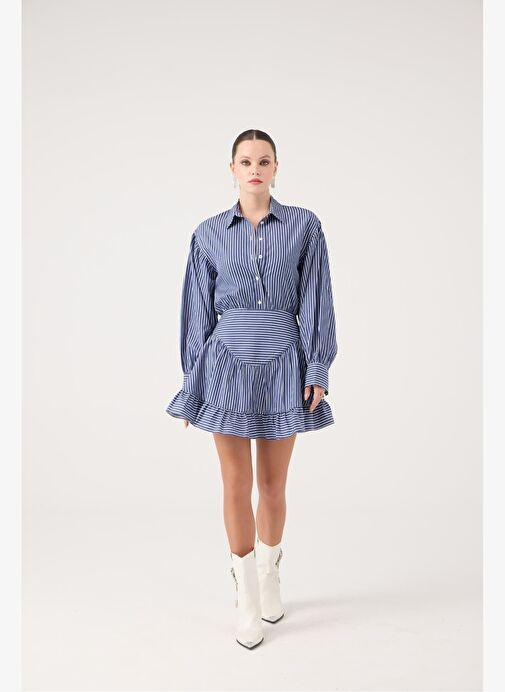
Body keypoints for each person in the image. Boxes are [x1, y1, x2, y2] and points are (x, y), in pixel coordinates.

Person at [165, 129, 338, 649]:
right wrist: (192, 381)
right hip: (226, 366)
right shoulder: (208, 234)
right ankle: (245, 598)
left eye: (264, 161)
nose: (255, 169)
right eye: (246, 161)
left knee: (273, 486)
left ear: (276, 167)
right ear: (232, 169)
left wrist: (318, 367)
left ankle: (269, 575)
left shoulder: (305, 226)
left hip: (285, 361)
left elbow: (317, 297)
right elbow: (196, 312)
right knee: (235, 484)